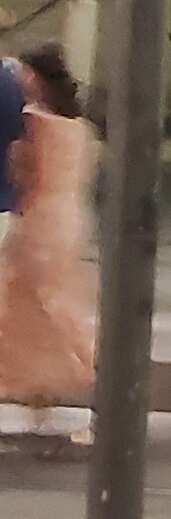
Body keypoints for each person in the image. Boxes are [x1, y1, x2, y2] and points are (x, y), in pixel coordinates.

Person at [0, 45, 97, 452]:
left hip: (39, 218)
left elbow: (22, 171)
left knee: (36, 307)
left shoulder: (33, 121)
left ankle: (81, 372)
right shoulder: (79, 126)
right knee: (36, 305)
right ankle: (43, 397)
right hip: (69, 215)